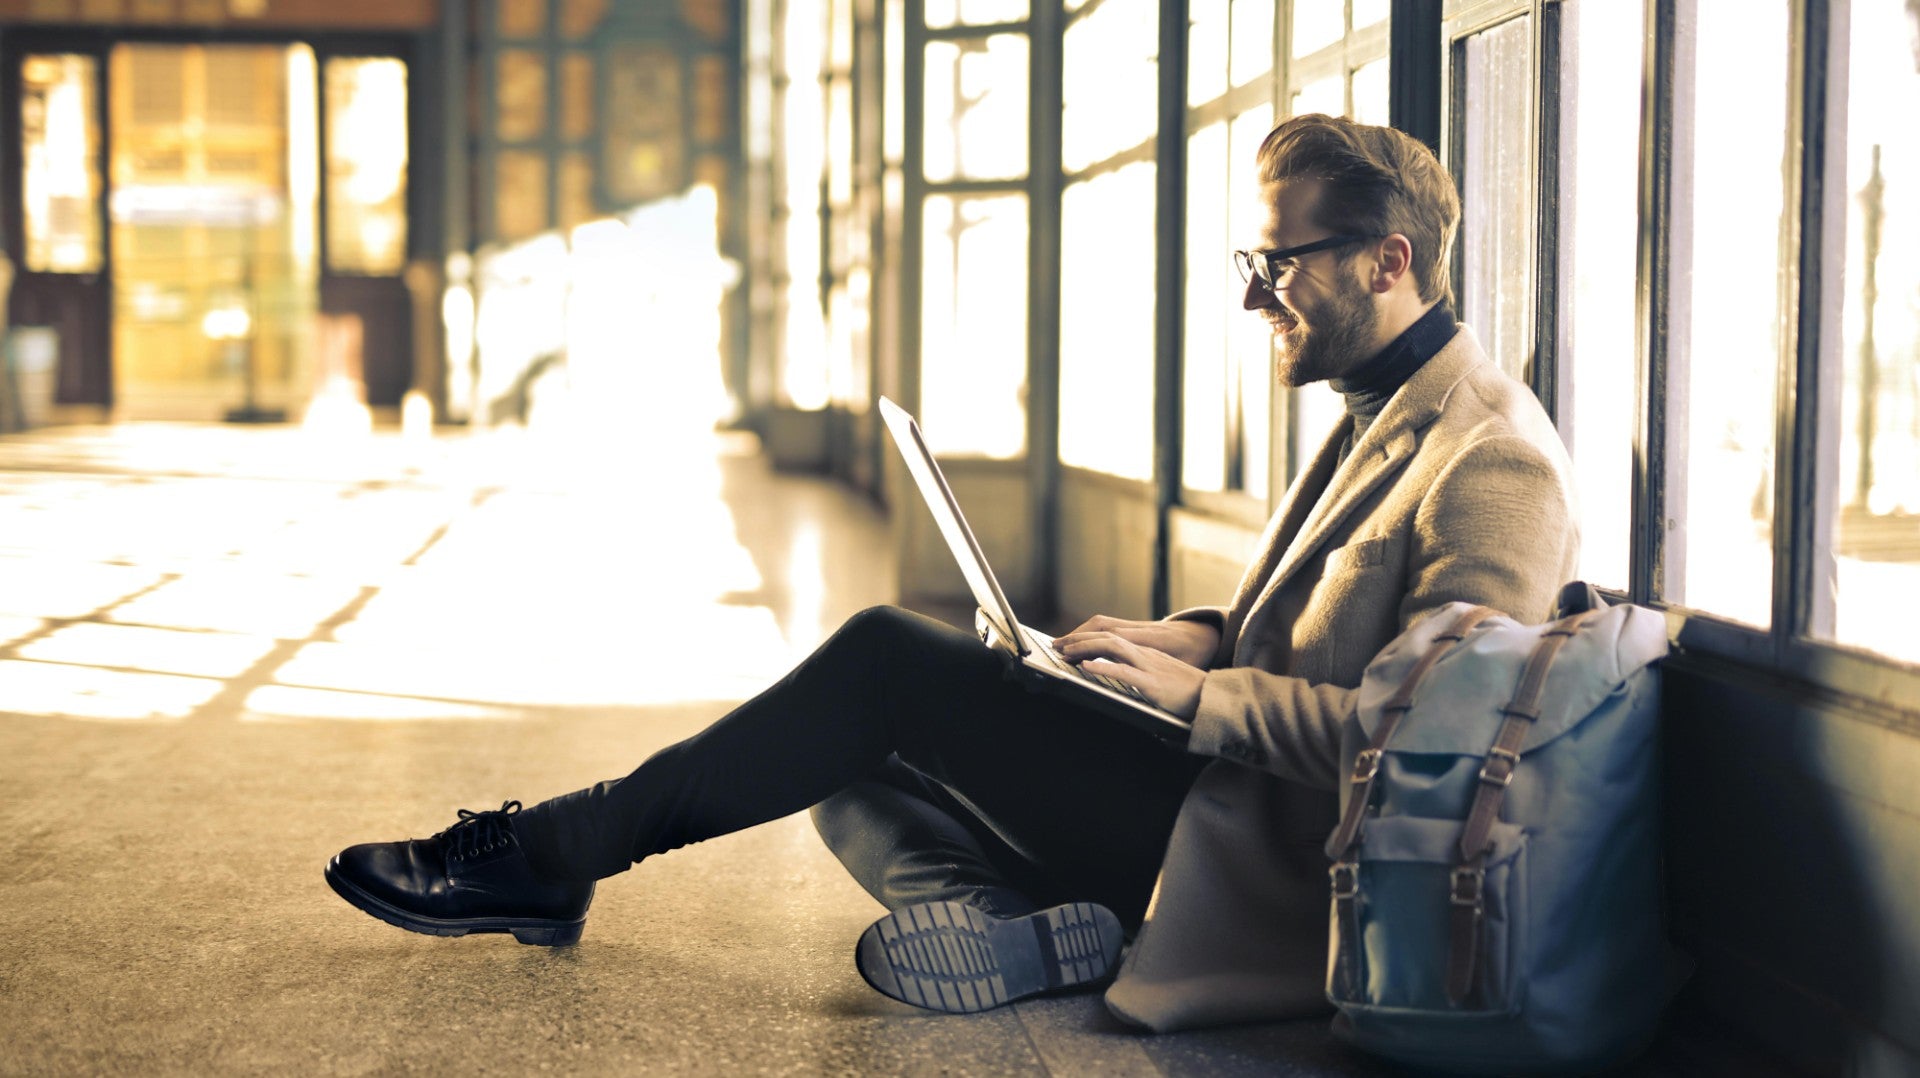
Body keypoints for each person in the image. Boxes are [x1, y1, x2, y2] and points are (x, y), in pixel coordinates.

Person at [324, 113, 1577, 1031]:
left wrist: (1200, 698)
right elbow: (1320, 622)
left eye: (1279, 264)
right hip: (1206, 792)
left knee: (882, 660)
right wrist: (1188, 638)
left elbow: (1438, 750)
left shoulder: (1491, 460)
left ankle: (552, 851)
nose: (1257, 298)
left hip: (1263, 865)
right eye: (1251, 266)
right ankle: (1013, 927)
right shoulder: (1381, 403)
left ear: (1388, 260)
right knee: (834, 763)